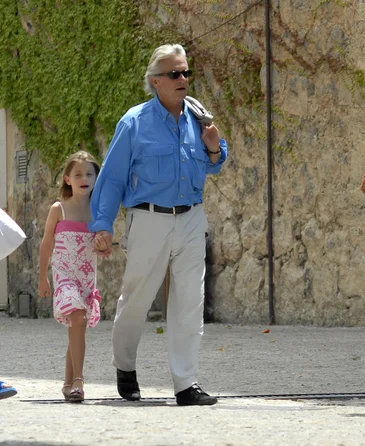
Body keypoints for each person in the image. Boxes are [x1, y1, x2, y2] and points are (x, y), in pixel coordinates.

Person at [90, 44, 227, 406]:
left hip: (191, 217)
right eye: (174, 74)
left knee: (189, 301)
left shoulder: (198, 118)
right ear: (156, 82)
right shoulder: (134, 122)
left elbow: (213, 164)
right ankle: (125, 366)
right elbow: (112, 179)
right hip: (148, 218)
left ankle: (186, 383)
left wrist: (214, 148)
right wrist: (102, 225)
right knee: (137, 299)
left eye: (185, 72)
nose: (183, 79)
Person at [38, 150, 102, 403]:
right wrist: (43, 277)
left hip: (86, 278)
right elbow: (46, 244)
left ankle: (67, 384)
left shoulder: (99, 211)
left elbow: (104, 243)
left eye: (89, 174)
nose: (84, 178)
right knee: (79, 318)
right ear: (67, 179)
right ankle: (79, 380)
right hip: (64, 275)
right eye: (78, 174)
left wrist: (104, 246)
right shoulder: (59, 209)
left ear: (96, 178)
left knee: (77, 325)